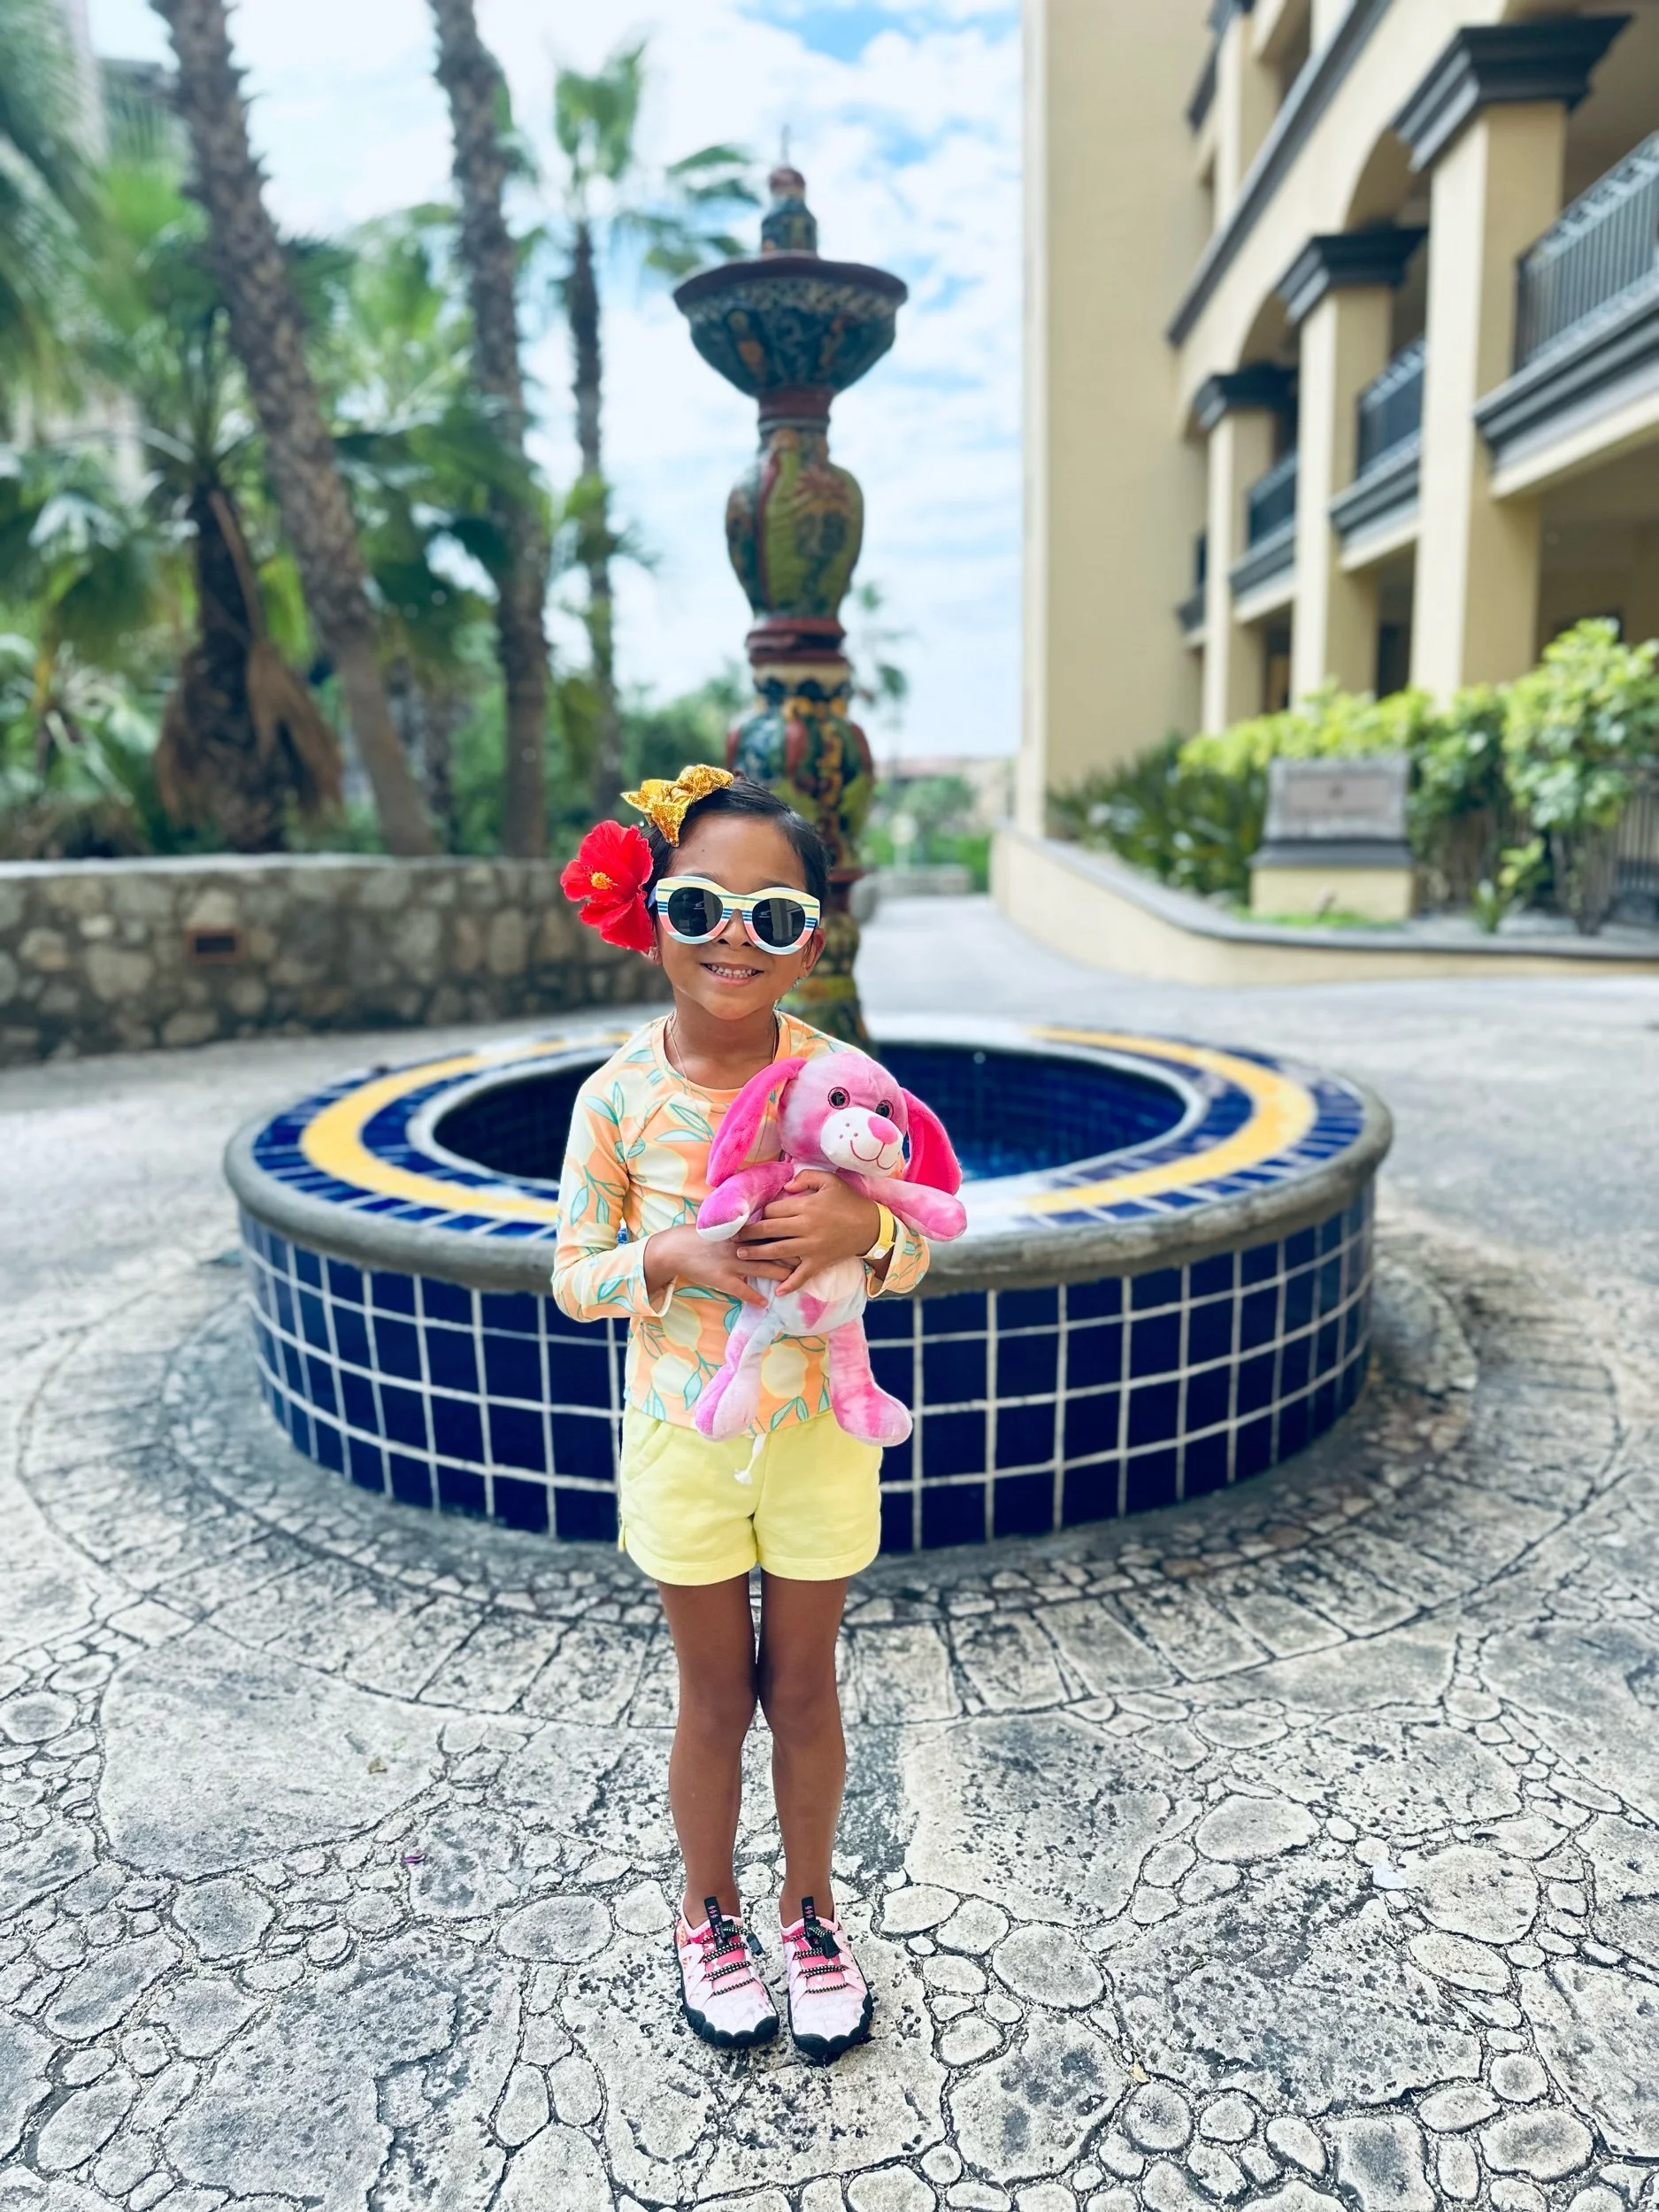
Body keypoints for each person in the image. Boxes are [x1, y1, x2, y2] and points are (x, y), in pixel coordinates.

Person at [550, 764, 935, 2066]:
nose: (734, 938)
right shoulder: (616, 1099)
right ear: (650, 915)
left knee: (806, 1688)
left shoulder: (845, 1082)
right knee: (714, 1695)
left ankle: (809, 1911)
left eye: (773, 916)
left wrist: (863, 1229)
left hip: (821, 1432)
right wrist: (670, 1257)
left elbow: (920, 1243)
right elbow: (574, 1277)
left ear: (811, 943)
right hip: (682, 1435)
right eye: (701, 905)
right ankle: (707, 1912)